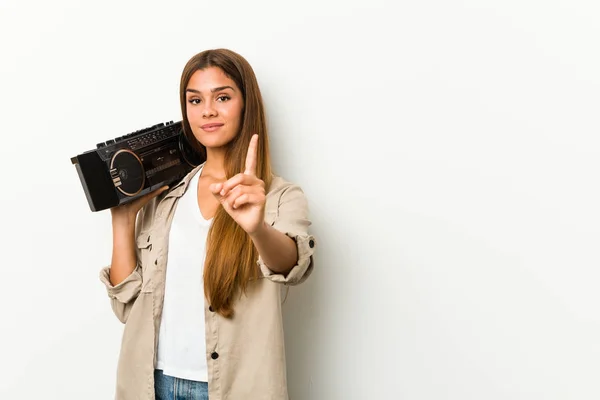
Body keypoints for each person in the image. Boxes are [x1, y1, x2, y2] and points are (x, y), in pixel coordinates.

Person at [99, 48, 316, 400]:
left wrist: (257, 228)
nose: (208, 111)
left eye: (223, 97)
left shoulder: (279, 196)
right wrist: (123, 220)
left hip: (233, 387)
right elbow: (129, 308)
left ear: (247, 106)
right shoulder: (166, 198)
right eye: (195, 100)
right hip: (153, 384)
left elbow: (293, 265)